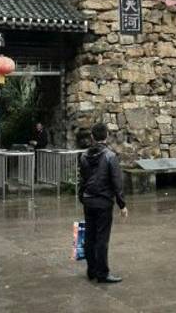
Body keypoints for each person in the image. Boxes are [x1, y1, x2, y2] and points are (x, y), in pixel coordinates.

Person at [78, 122, 128, 284]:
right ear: (106, 136)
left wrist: (82, 197)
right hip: (103, 202)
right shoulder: (110, 156)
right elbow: (117, 182)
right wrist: (122, 204)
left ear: (92, 137)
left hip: (89, 200)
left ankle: (91, 270)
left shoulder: (84, 156)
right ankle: (102, 273)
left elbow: (82, 180)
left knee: (90, 236)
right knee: (102, 238)